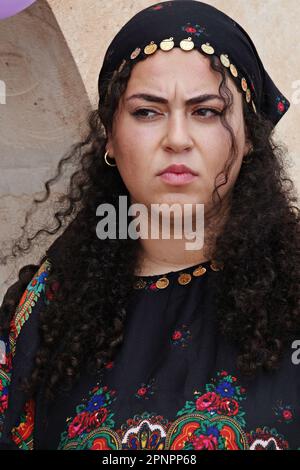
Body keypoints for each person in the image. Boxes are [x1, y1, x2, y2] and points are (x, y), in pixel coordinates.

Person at [0, 0, 299, 451]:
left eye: (206, 111)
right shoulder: (48, 306)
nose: (176, 138)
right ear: (111, 140)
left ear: (251, 137)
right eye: (146, 111)